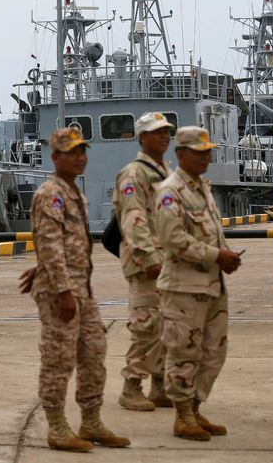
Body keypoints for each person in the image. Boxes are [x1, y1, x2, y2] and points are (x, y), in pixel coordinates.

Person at [28, 127, 130, 452]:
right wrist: (61, 289)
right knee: (59, 358)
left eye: (82, 151)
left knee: (94, 352)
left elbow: (61, 244)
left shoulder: (74, 193)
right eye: (71, 152)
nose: (79, 157)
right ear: (55, 156)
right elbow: (49, 243)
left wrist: (49, 271)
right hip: (63, 292)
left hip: (80, 288)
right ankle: (57, 427)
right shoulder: (50, 194)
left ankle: (91, 421)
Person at [153, 126, 243, 442]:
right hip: (184, 288)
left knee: (213, 351)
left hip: (211, 285)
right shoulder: (170, 191)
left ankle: (195, 405)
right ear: (180, 154)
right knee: (183, 351)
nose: (206, 157)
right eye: (199, 152)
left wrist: (222, 258)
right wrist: (216, 255)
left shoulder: (201, 187)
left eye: (208, 152)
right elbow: (173, 239)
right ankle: (182, 416)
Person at [113, 112, 174, 411]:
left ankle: (160, 386)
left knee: (166, 326)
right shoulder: (135, 174)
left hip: (167, 261)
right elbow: (133, 219)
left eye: (167, 131)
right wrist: (149, 257)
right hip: (146, 262)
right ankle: (131, 386)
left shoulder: (164, 171)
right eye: (156, 132)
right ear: (142, 138)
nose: (164, 136)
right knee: (147, 325)